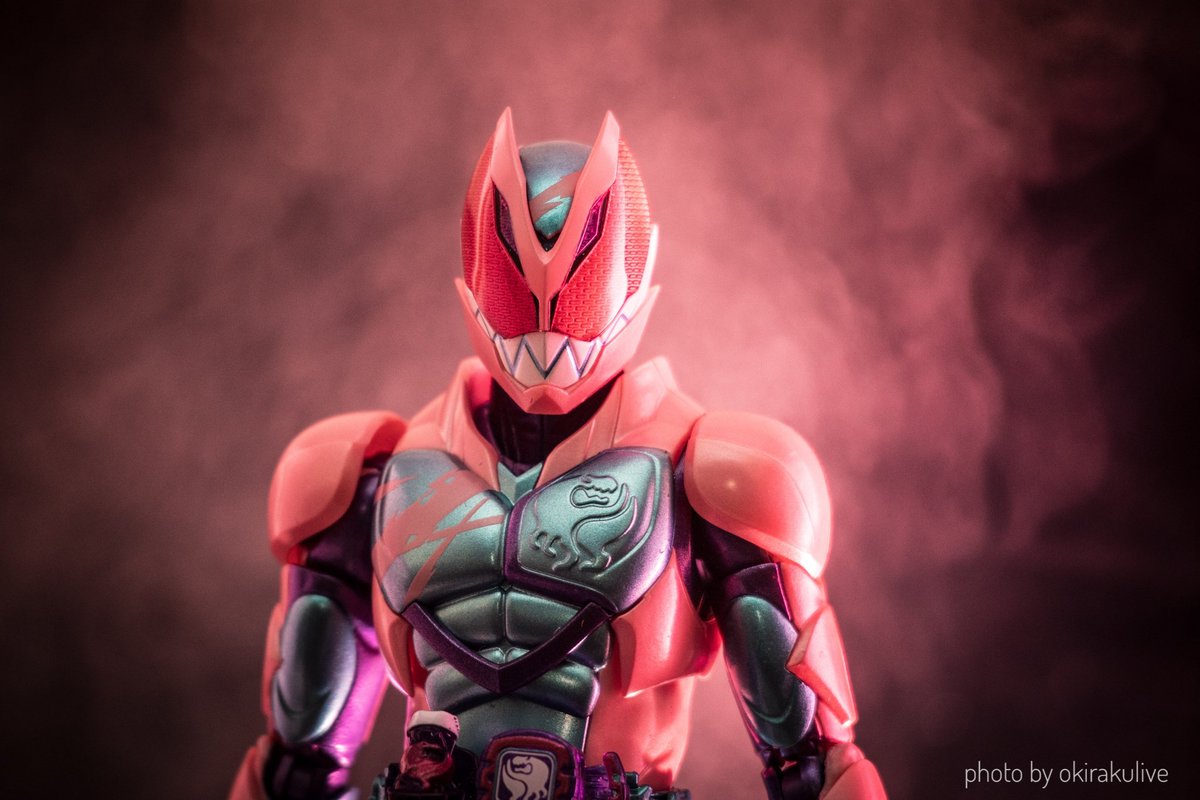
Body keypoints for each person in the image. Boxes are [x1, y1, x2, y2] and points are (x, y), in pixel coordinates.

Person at [229, 109, 887, 800]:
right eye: (516, 280)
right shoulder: (369, 477)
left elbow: (810, 764)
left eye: (576, 283)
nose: (546, 320)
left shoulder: (719, 473)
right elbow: (296, 765)